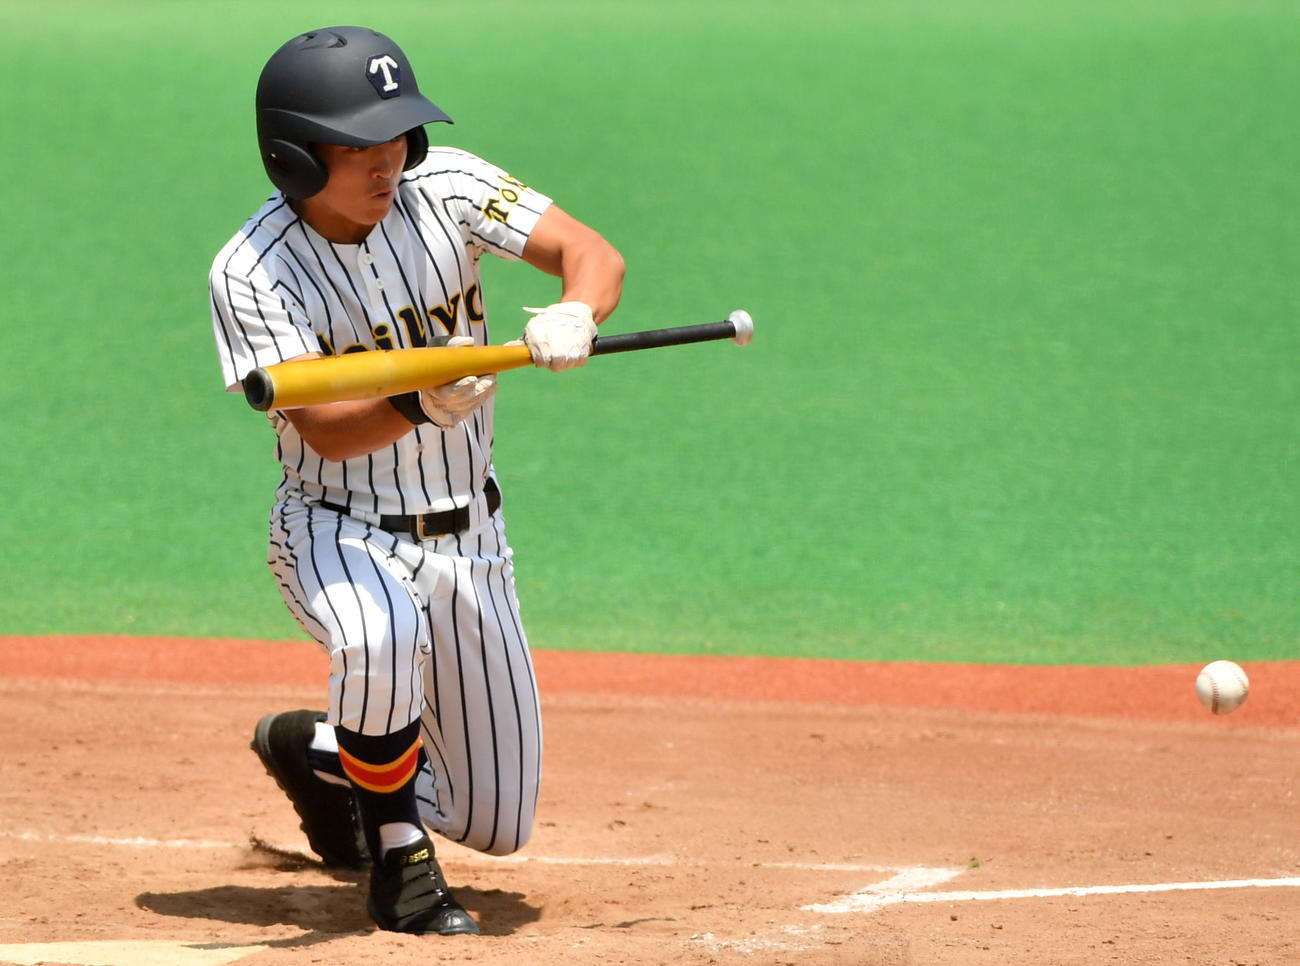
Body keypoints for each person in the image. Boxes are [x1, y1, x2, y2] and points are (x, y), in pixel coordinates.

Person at [208, 25, 624, 935]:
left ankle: (323, 750)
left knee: (497, 822)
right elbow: (319, 429)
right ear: (294, 154)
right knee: (378, 636)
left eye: (396, 133)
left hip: (472, 540)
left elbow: (592, 254)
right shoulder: (251, 270)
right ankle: (398, 856)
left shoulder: (453, 188)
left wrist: (574, 310)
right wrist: (420, 406)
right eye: (358, 142)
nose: (386, 159)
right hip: (335, 525)